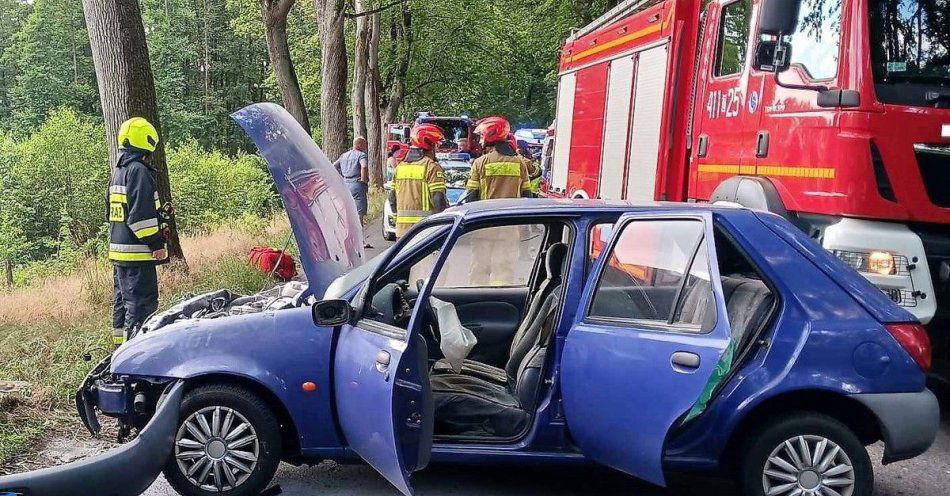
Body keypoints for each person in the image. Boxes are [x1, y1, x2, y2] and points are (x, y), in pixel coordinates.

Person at [108, 117, 169, 346]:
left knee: (123, 304)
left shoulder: (119, 171)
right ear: (147, 141)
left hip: (119, 253)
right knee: (141, 305)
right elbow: (139, 218)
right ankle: (136, 353)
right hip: (137, 254)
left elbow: (114, 213)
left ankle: (119, 348)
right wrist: (156, 244)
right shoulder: (139, 171)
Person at [463, 117, 532, 286]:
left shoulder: (480, 163)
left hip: (483, 227)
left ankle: (476, 304)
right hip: (509, 229)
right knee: (504, 273)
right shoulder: (520, 163)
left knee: (479, 271)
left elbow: (471, 197)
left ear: (489, 135)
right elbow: (527, 196)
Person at [392, 124, 449, 238]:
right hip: (424, 231)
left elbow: (392, 199)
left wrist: (397, 219)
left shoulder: (400, 167)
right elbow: (438, 199)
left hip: (402, 232)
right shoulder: (431, 166)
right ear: (429, 146)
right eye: (434, 146)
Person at [334, 137, 372, 249]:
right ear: (359, 144)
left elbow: (334, 166)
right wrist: (363, 179)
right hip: (357, 185)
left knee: (347, 212)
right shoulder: (361, 155)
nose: (365, 146)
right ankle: (360, 241)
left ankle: (345, 240)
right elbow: (364, 166)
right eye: (364, 144)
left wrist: (341, 178)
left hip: (346, 185)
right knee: (359, 214)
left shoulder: (344, 156)